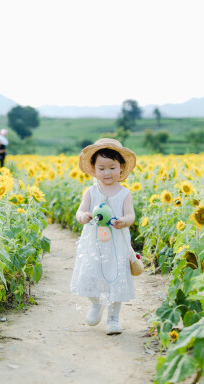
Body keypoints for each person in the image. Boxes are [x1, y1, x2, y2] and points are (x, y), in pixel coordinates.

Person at [70, 138, 137, 335]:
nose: (107, 173)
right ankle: (96, 304)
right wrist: (83, 216)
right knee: (91, 273)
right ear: (93, 168)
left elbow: (130, 215)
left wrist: (124, 221)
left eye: (112, 167)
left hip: (116, 243)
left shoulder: (124, 193)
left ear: (121, 168)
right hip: (94, 243)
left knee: (117, 277)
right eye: (102, 168)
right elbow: (80, 212)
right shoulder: (90, 192)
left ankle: (114, 318)